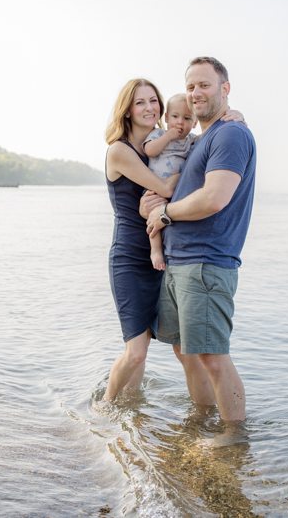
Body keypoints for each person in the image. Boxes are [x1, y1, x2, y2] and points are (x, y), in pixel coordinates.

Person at [102, 79, 245, 403]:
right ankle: (106, 406)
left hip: (165, 256)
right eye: (140, 102)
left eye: (154, 100)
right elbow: (166, 190)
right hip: (132, 257)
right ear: (127, 109)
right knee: (136, 350)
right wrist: (173, 184)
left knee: (175, 349)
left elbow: (199, 132)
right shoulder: (120, 150)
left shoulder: (169, 144)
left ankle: (133, 408)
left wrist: (232, 113)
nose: (150, 107)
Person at [145, 57, 256, 422]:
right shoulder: (202, 138)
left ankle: (233, 438)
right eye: (190, 86)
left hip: (207, 262)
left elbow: (214, 198)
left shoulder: (231, 134)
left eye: (204, 85)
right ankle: (201, 417)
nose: (195, 93)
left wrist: (165, 213)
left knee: (211, 354)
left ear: (224, 89)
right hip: (180, 262)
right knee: (185, 351)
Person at [142, 93, 198, 271]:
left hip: (176, 192)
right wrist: (168, 136)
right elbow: (150, 150)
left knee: (172, 217)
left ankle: (172, 250)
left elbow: (211, 135)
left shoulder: (191, 141)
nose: (180, 122)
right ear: (166, 118)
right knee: (153, 216)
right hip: (154, 189)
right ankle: (156, 250)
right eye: (175, 116)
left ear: (195, 123)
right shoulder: (158, 134)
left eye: (187, 118)